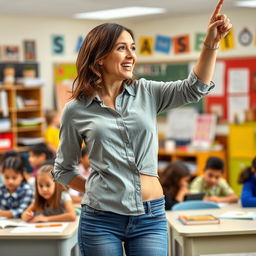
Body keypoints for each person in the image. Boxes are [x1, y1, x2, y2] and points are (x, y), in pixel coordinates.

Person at [52, 1, 232, 255]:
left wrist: (211, 43)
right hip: (101, 219)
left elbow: (195, 88)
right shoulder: (76, 110)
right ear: (100, 57)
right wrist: (95, 188)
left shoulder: (147, 92)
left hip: (150, 217)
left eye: (133, 48)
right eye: (122, 48)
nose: (131, 55)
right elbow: (63, 169)